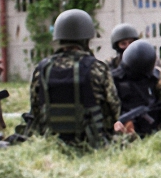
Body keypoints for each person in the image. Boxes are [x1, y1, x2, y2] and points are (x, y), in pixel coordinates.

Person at [21, 8, 120, 147]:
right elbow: (114, 108)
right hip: (91, 143)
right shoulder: (97, 68)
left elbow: (35, 108)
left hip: (51, 143)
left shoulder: (42, 69)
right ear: (86, 39)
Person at [111, 40, 161, 137]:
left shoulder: (156, 77)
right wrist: (117, 124)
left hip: (157, 126)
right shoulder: (114, 80)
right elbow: (109, 113)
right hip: (126, 129)